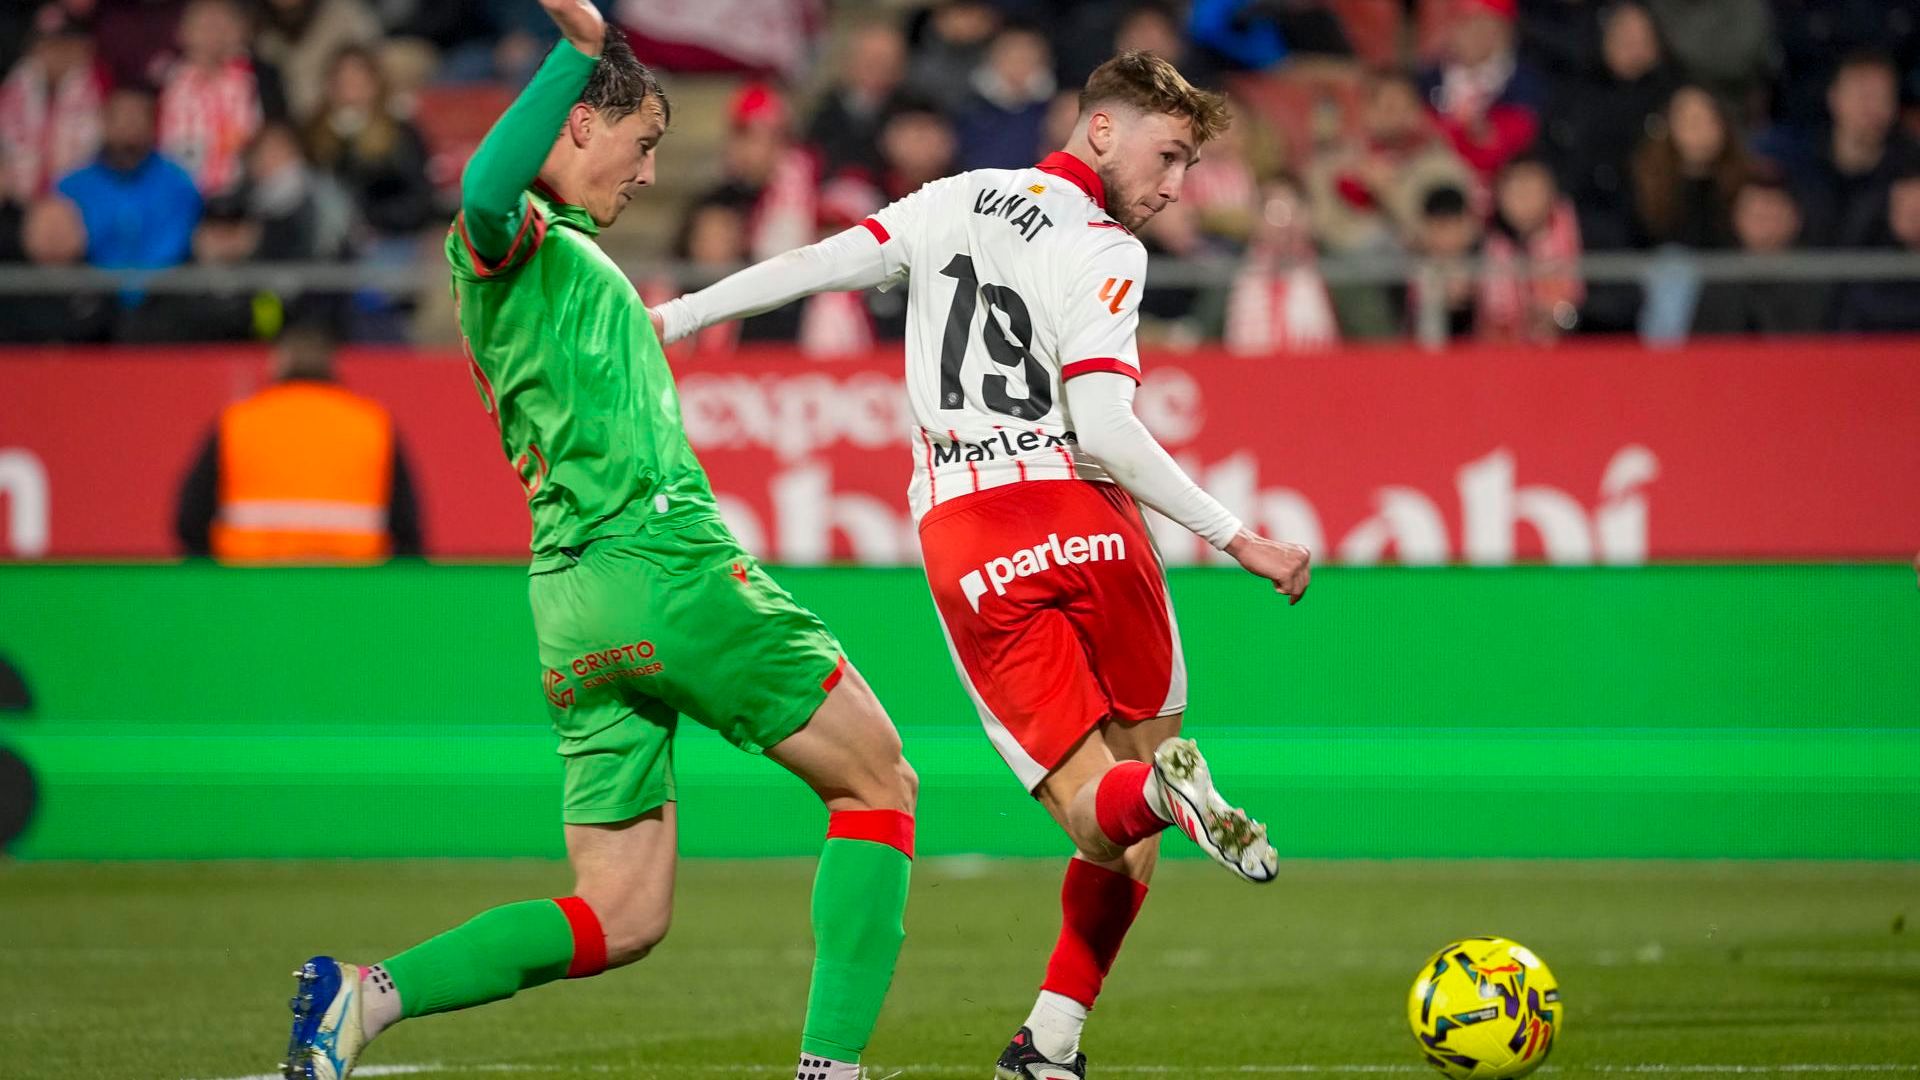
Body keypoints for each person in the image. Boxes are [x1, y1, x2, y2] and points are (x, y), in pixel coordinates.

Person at [280, 6, 918, 1080]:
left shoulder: (561, 263)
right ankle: (831, 1070)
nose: (651, 170)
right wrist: (576, 52)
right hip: (660, 561)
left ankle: (363, 998)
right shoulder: (513, 238)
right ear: (578, 127)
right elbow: (484, 188)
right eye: (644, 141)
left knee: (620, 915)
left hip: (572, 601)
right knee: (879, 785)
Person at [654, 49, 1312, 1079]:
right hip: (1085, 511)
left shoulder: (954, 198)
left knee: (1105, 815)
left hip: (971, 528)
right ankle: (1057, 1030)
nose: (1176, 186)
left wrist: (678, 318)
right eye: (1170, 155)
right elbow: (1101, 423)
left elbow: (813, 264)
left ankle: (1057, 1030)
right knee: (1133, 811)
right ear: (1102, 131)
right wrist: (1238, 535)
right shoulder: (1105, 247)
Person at [175, 324, 422, 559]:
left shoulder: (237, 422)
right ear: (332, 364)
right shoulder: (373, 424)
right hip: (350, 588)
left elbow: (190, 519)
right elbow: (408, 529)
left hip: (252, 587)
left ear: (278, 363)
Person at [56, 86, 202, 273]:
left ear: (152, 125)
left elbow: (181, 241)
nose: (130, 125)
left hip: (164, 291)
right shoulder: (70, 188)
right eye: (121, 116)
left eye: (138, 117)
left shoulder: (180, 184)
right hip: (90, 289)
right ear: (104, 123)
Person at [1691, 176, 1830, 335]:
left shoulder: (1818, 278)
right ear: (1737, 219)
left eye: (1773, 216)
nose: (1765, 227)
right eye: (1757, 216)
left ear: (1795, 219)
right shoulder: (1720, 279)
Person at [0, 6, 106, 203]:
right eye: (48, 45)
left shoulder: (99, 87)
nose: (56, 55)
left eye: (64, 46)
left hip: (79, 200)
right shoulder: (14, 87)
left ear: (82, 48)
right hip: (17, 200)